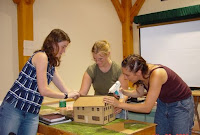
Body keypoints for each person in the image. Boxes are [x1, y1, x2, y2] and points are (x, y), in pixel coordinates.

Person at [0, 29, 80, 135]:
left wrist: (77, 95)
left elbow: (64, 88)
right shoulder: (41, 57)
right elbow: (44, 90)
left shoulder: (51, 65)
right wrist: (66, 95)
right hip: (15, 108)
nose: (64, 51)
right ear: (53, 43)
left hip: (32, 112)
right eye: (63, 46)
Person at [104, 54, 194, 135]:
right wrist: (124, 92)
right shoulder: (141, 75)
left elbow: (147, 108)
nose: (125, 78)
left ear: (138, 72)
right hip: (163, 102)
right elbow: (139, 93)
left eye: (127, 75)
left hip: (180, 104)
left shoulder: (157, 74)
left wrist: (120, 104)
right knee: (160, 132)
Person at [79, 40, 129, 119]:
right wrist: (76, 99)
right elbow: (82, 93)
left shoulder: (118, 70)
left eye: (100, 59)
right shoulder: (91, 70)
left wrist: (120, 104)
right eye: (95, 59)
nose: (98, 62)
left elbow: (125, 92)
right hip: (98, 108)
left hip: (115, 109)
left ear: (108, 54)